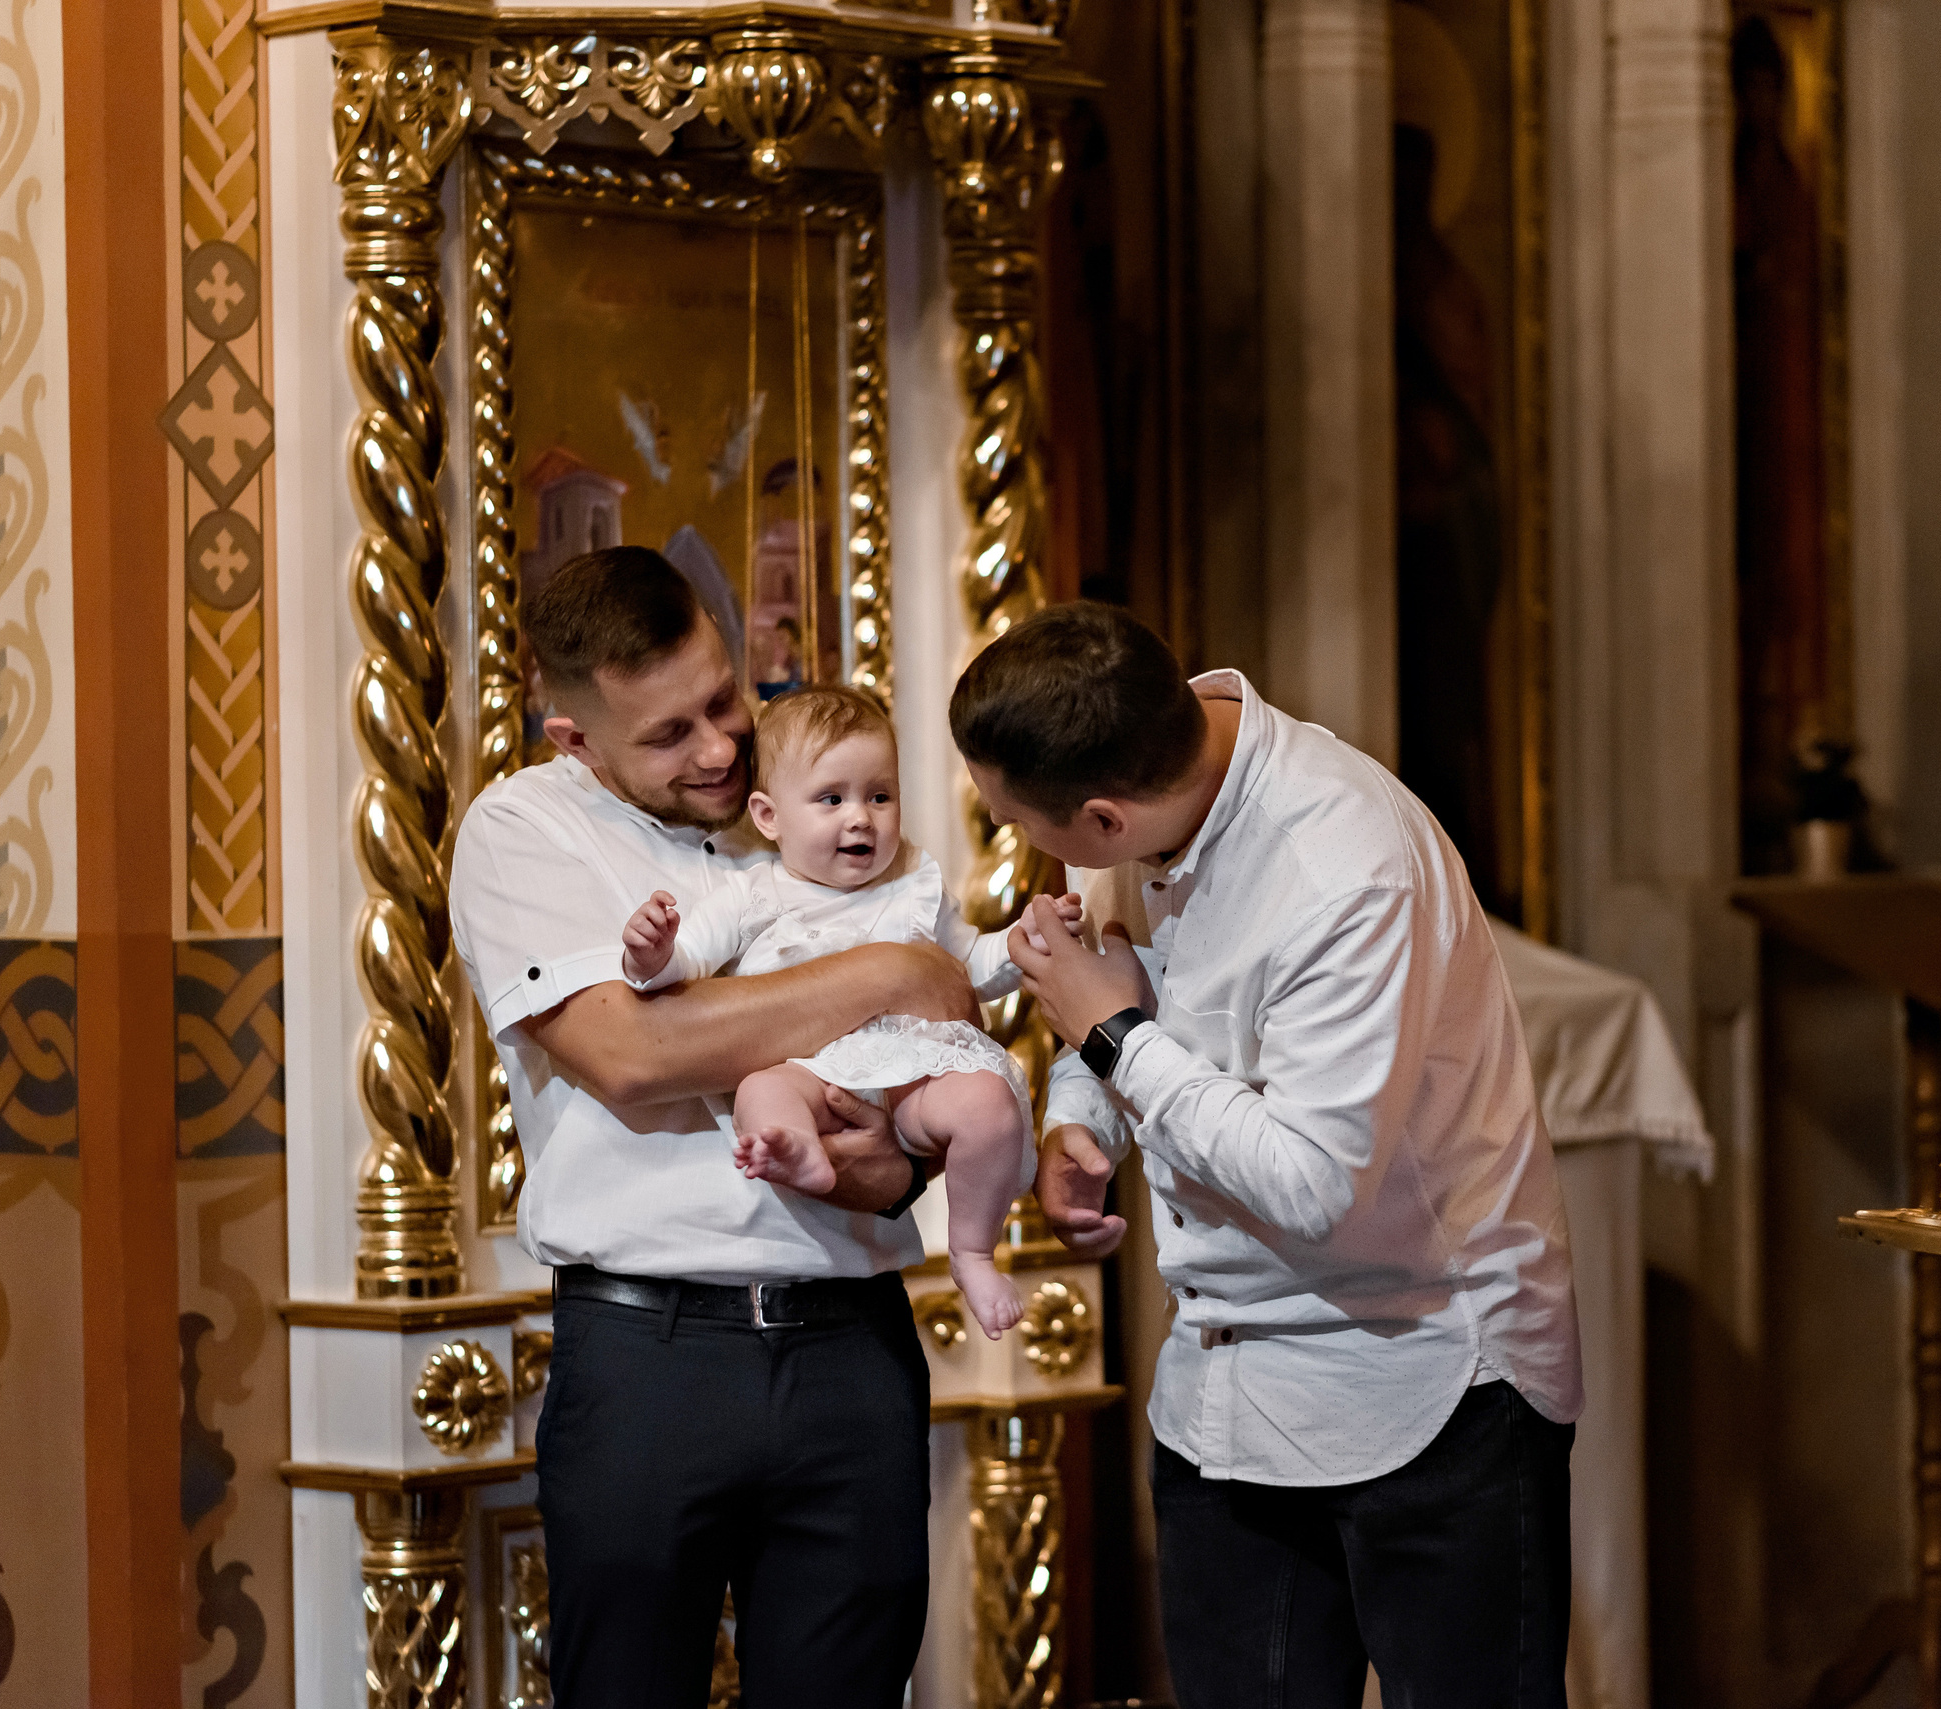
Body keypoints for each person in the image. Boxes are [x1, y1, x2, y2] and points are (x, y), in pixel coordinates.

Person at [953, 601, 1583, 1709]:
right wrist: (1080, 1120)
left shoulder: (1345, 870)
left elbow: (1312, 1182)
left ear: (1102, 816)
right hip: (1220, 1382)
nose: (1028, 850)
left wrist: (1109, 1038)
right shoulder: (1154, 761)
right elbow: (1111, 971)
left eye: (1029, 828)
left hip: (1427, 1381)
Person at [450, 545, 972, 1708]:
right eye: (669, 733)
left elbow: (937, 1044)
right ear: (572, 738)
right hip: (650, 1356)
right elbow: (632, 1057)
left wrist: (891, 1139)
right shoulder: (523, 829)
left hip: (852, 1341)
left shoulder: (806, 791)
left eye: (724, 697)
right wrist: (888, 965)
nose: (722, 748)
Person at [615, 683, 1074, 1337]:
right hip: (806, 1068)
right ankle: (798, 1150)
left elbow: (964, 965)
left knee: (990, 1107)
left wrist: (1023, 943)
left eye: (878, 795)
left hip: (909, 1068)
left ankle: (973, 1249)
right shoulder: (754, 894)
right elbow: (684, 962)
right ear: (770, 816)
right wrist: (650, 951)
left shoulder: (913, 879)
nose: (860, 817)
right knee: (761, 1089)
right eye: (832, 799)